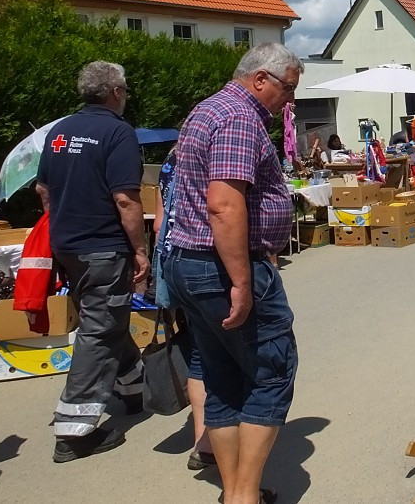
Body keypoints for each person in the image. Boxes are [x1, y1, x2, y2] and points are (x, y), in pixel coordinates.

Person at [164, 42, 301, 504]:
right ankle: (243, 497)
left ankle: (234, 491)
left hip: (191, 264)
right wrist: (242, 281)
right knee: (271, 371)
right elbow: (223, 204)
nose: (289, 100)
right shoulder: (240, 117)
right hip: (219, 269)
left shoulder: (206, 110)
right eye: (288, 89)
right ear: (261, 79)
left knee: (222, 377)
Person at [35, 61, 148, 463]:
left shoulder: (59, 131)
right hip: (103, 245)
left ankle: (134, 387)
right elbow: (125, 198)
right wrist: (139, 249)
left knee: (104, 317)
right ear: (115, 92)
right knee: (100, 329)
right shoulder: (118, 132)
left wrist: (62, 224)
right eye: (127, 90)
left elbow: (44, 188)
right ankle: (74, 430)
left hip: (67, 244)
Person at [152, 149, 214, 471]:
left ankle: (201, 440)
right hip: (206, 262)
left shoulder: (171, 158)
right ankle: (222, 441)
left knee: (198, 353)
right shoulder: (215, 151)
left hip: (173, 262)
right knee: (225, 352)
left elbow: (159, 223)